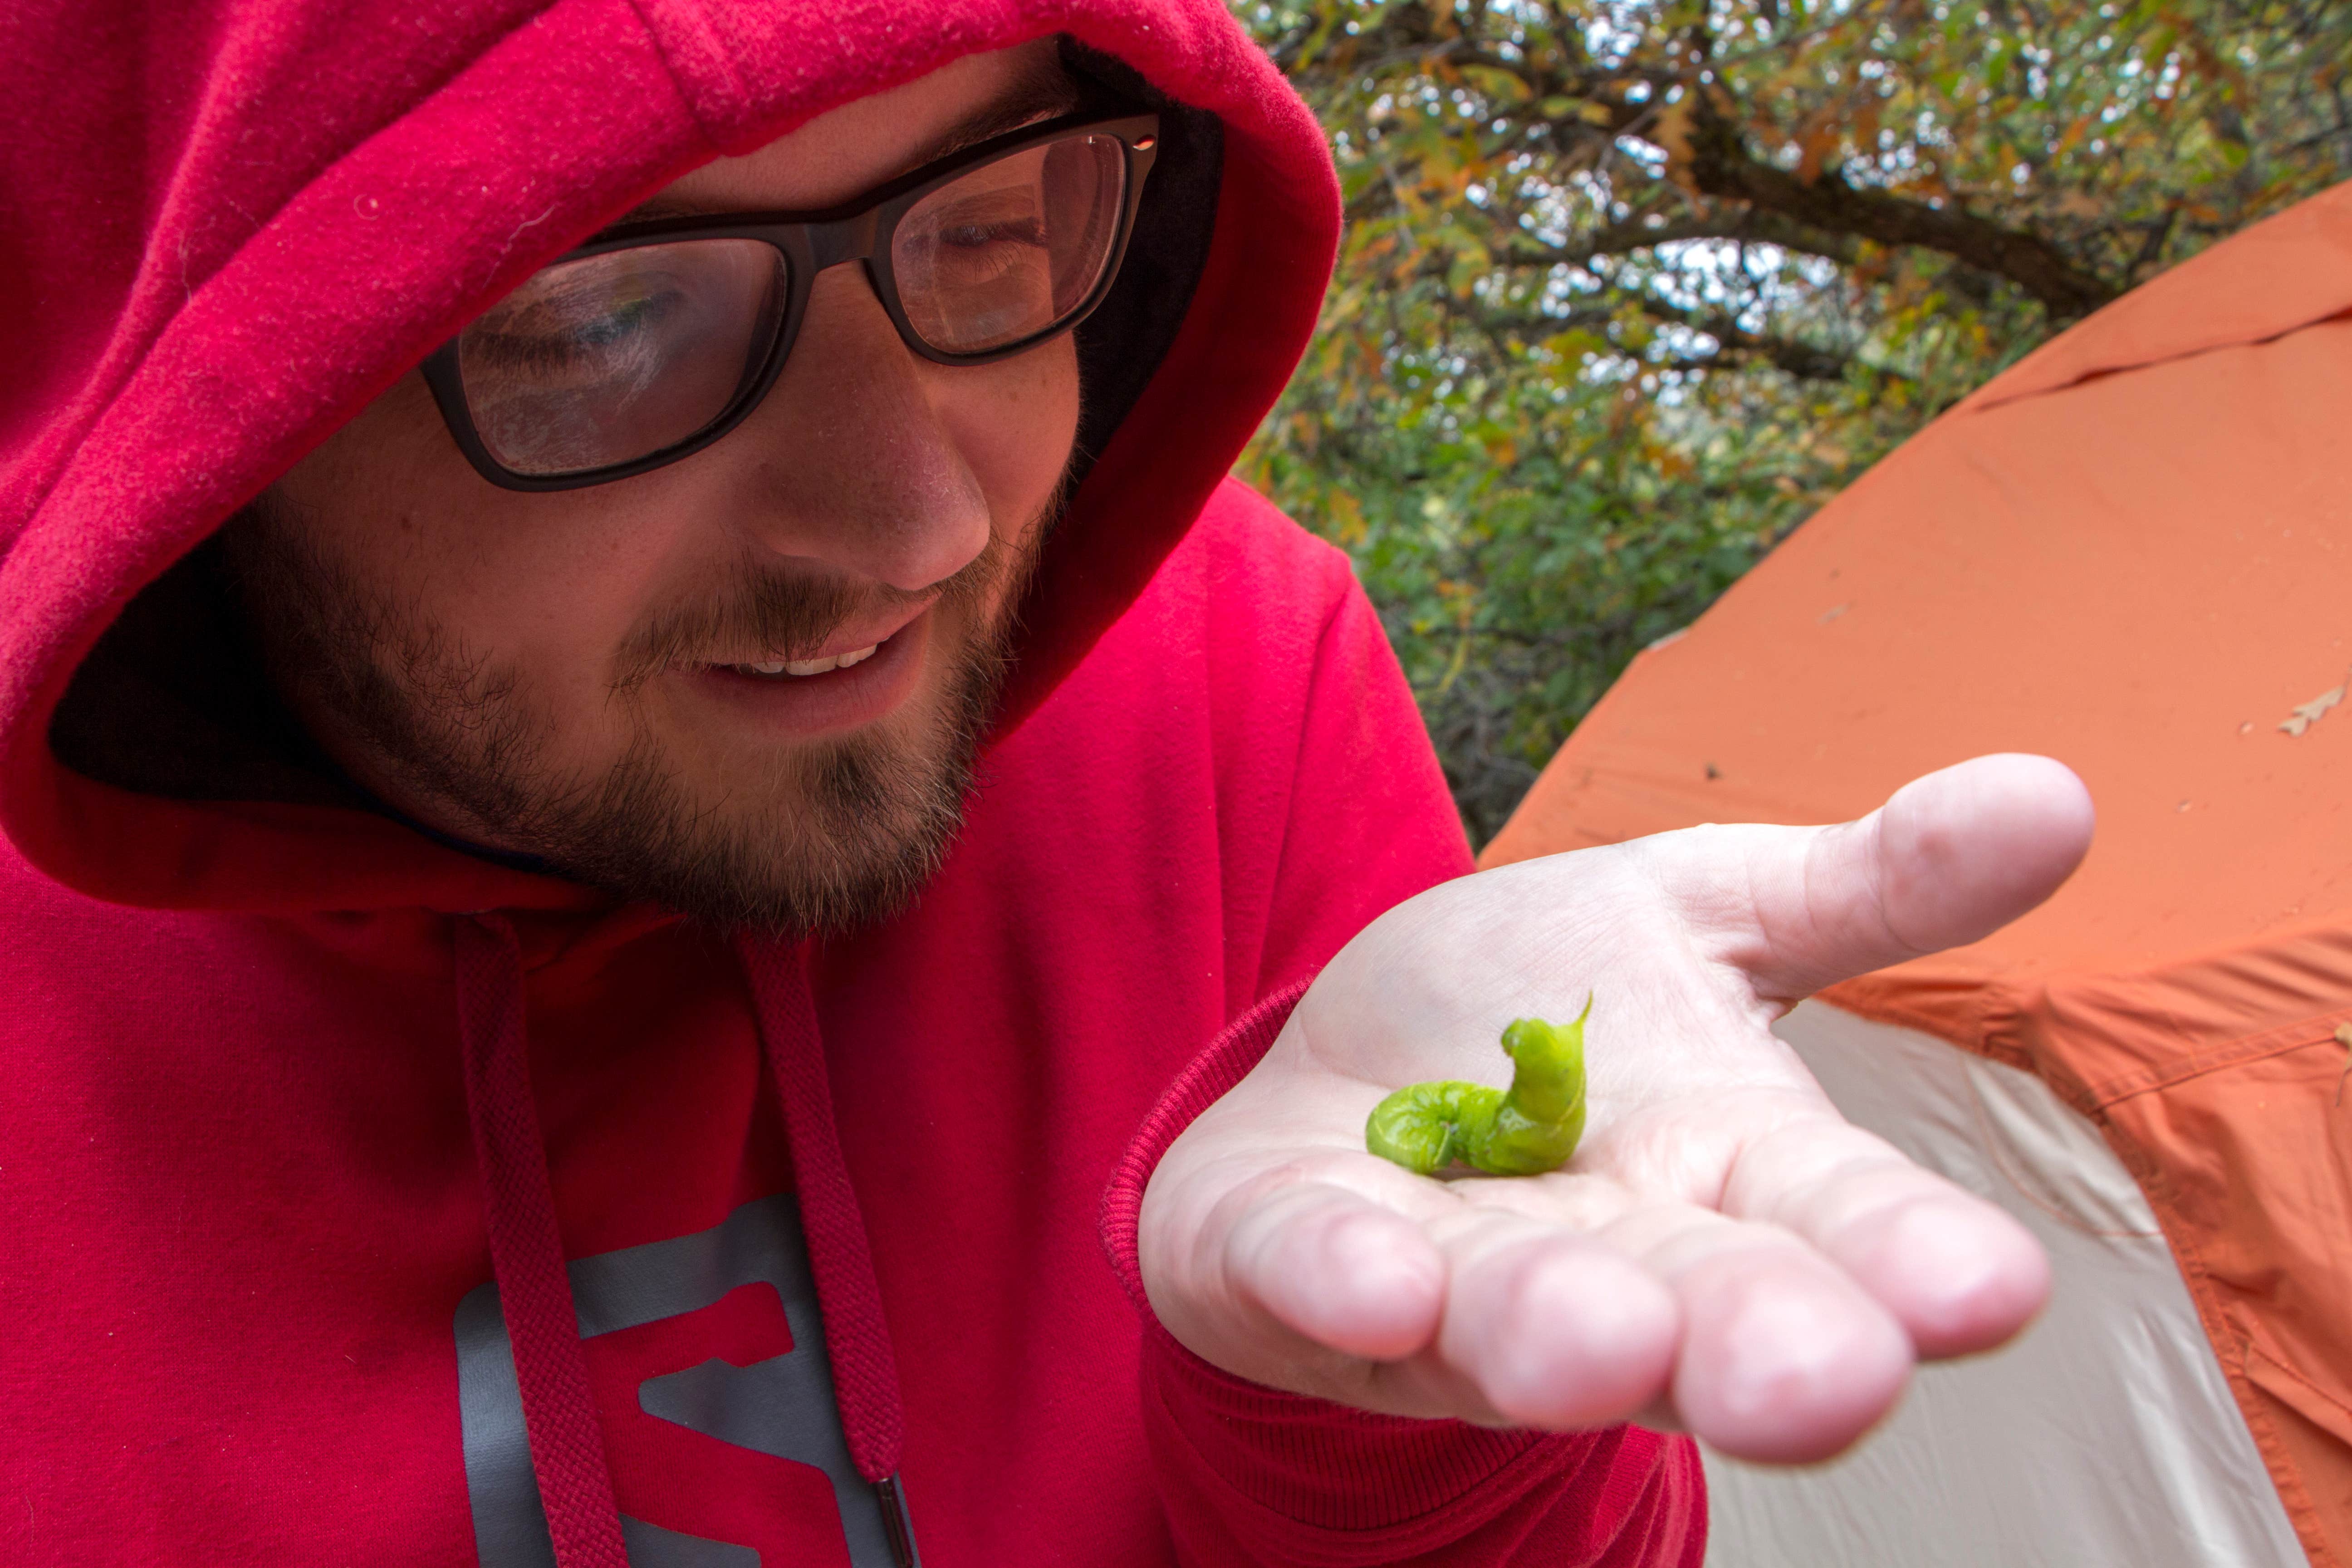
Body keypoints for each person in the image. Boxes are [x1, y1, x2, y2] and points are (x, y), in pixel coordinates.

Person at [0, 2, 2092, 1564]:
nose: (915, 530)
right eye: (607, 318)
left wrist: (1382, 1434)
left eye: (994, 226)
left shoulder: (1241, 669)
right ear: (205, 407)